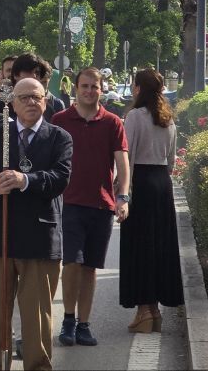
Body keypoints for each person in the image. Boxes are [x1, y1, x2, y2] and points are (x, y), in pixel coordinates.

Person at [0, 78, 72, 371]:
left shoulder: (59, 137)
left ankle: (37, 366)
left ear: (46, 101)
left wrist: (25, 180)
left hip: (38, 238)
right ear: (11, 104)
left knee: (35, 315)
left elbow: (60, 178)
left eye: (36, 97)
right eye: (23, 97)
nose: (30, 102)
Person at [51, 68, 130, 348]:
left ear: (101, 88)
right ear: (75, 88)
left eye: (94, 86)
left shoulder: (112, 122)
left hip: (101, 204)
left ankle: (84, 324)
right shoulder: (60, 120)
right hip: (68, 203)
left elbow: (122, 161)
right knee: (71, 263)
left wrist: (123, 197)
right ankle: (68, 319)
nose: (89, 91)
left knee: (90, 268)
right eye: (84, 86)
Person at [120, 69, 184, 333]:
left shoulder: (134, 116)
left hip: (142, 181)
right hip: (161, 182)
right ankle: (155, 310)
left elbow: (128, 154)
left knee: (140, 246)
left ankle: (144, 310)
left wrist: (124, 190)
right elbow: (171, 160)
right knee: (159, 244)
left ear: (138, 89)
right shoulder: (168, 120)